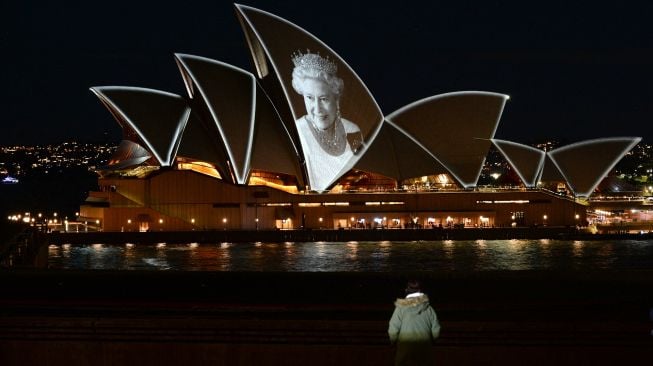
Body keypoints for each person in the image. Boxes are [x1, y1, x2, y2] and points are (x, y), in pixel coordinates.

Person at [291, 50, 363, 192]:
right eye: (310, 98)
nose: (317, 109)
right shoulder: (297, 132)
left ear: (336, 99)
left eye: (324, 99)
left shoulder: (353, 129)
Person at [388, 280, 441, 366]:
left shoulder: (400, 308)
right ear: (420, 290)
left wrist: (393, 341)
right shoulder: (429, 309)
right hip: (424, 347)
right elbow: (436, 329)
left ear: (406, 290)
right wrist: (433, 341)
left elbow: (393, 329)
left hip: (405, 347)